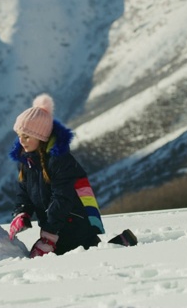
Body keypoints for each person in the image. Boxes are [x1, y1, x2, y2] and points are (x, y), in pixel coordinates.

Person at [8, 93, 114, 258]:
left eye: (26, 136)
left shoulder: (59, 161)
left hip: (75, 226)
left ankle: (116, 247)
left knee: (65, 260)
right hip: (56, 227)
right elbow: (24, 192)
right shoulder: (27, 162)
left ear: (40, 136)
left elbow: (62, 198)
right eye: (19, 136)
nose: (21, 141)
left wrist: (49, 235)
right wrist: (22, 212)